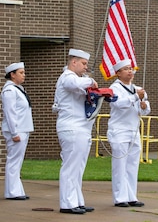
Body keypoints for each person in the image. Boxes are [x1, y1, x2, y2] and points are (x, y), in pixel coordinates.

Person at [53, 48, 98, 214]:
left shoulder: (78, 78)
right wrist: (90, 82)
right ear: (74, 62)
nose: (86, 67)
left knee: (78, 168)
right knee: (70, 167)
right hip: (71, 127)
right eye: (83, 63)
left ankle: (77, 201)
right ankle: (67, 203)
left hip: (81, 128)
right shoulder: (67, 77)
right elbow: (75, 84)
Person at [107, 59, 150, 208]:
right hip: (119, 130)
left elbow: (145, 110)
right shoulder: (115, 88)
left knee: (132, 165)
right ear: (118, 73)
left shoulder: (138, 88)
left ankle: (132, 196)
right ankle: (120, 197)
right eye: (125, 69)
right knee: (120, 164)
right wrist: (135, 97)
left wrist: (143, 106)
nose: (130, 71)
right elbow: (118, 104)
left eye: (130, 68)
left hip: (133, 130)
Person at [1, 62, 34, 200]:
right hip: (17, 130)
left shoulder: (18, 89)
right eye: (21, 73)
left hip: (23, 129)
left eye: (24, 72)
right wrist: (14, 133)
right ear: (12, 75)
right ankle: (12, 192)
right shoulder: (9, 90)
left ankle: (17, 190)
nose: (23, 75)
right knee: (13, 161)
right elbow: (10, 113)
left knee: (17, 161)